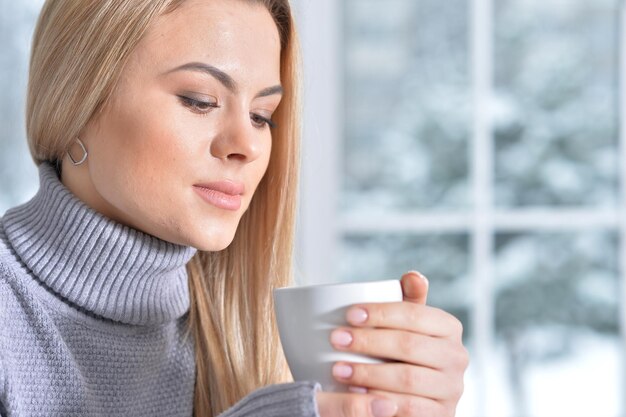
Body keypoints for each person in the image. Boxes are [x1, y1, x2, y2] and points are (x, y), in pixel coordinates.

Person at [0, 0, 469, 416]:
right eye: (200, 101)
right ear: (75, 99)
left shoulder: (257, 333)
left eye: (261, 116)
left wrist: (407, 394)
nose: (247, 144)